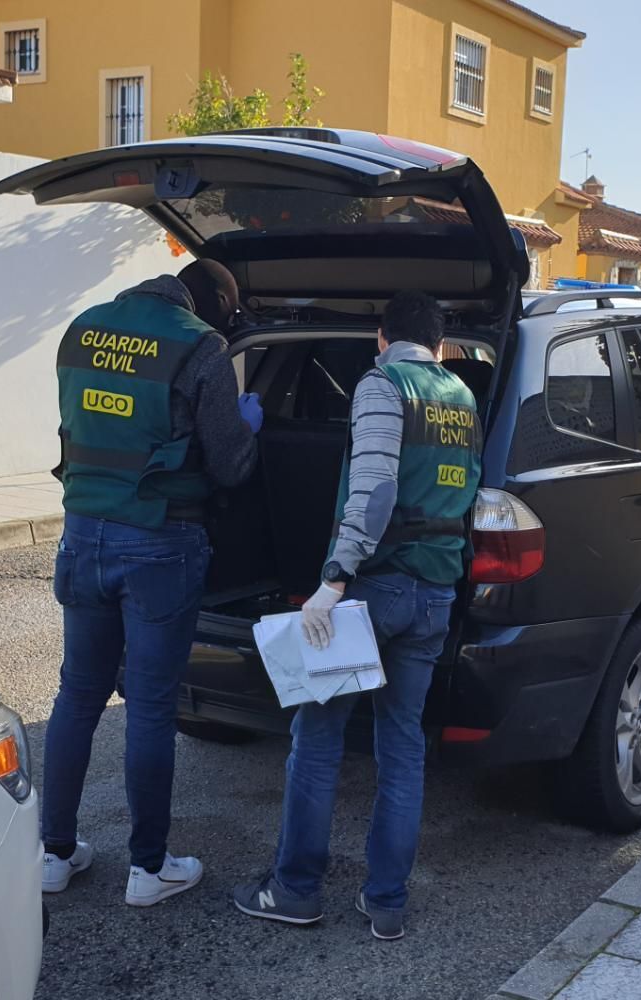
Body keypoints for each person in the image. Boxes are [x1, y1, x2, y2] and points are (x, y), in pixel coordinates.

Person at [233, 290, 480, 941]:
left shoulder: (381, 385)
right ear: (440, 344)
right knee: (402, 746)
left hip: (374, 586)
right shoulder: (461, 395)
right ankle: (387, 902)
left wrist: (333, 581)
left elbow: (374, 491)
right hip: (435, 592)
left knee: (317, 739)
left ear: (381, 339)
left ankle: (295, 891)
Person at [40, 260, 262, 907]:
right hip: (160, 541)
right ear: (212, 298)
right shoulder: (200, 345)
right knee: (149, 704)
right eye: (230, 307)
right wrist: (248, 425)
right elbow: (231, 466)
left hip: (82, 535)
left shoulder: (83, 329)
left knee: (78, 694)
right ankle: (149, 867)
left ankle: (53, 853)